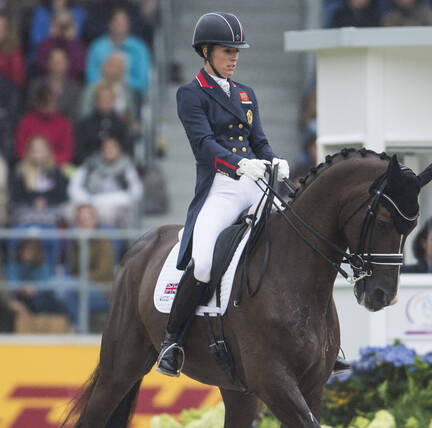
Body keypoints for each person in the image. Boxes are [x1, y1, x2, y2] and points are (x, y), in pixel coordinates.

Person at [156, 11, 291, 378]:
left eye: (237, 51)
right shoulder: (191, 93)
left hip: (256, 182)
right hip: (222, 186)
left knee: (300, 238)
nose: (234, 57)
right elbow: (204, 145)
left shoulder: (247, 93)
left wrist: (274, 160)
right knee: (201, 262)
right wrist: (238, 164)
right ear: (206, 51)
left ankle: (323, 338)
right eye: (226, 50)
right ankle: (172, 340)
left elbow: (259, 141)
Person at [67, 136, 143, 227]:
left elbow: (136, 193)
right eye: (106, 147)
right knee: (68, 212)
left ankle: (113, 241)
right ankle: (78, 240)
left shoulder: (127, 167)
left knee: (110, 214)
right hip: (89, 203)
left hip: (116, 205)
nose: (109, 150)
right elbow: (74, 187)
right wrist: (87, 202)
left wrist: (103, 201)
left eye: (113, 147)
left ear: (120, 150)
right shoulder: (90, 164)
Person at [84, 8, 150, 95]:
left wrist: (121, 81)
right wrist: (107, 83)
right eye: (117, 21)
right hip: (100, 92)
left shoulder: (139, 48)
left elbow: (142, 81)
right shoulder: (97, 46)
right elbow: (90, 76)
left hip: (129, 92)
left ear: (128, 25)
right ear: (110, 24)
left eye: (123, 22)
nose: (120, 25)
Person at [15, 84, 75, 165]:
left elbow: (67, 151)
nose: (52, 107)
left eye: (54, 103)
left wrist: (50, 162)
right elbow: (20, 149)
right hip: (30, 164)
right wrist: (35, 160)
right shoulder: (27, 121)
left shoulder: (63, 122)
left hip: (57, 165)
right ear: (39, 104)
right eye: (48, 104)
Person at [73, 83, 131, 163]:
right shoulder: (84, 125)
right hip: (90, 167)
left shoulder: (122, 125)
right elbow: (79, 152)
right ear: (95, 101)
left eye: (108, 98)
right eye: (101, 98)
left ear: (114, 100)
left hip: (117, 167)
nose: (105, 101)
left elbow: (128, 151)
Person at [26, 47, 82, 122]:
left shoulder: (74, 89)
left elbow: (73, 119)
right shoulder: (36, 85)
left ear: (67, 64)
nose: (56, 65)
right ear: (47, 63)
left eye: (60, 62)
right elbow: (30, 113)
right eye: (53, 61)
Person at [33, 10, 87, 81]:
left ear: (73, 26)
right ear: (53, 24)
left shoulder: (78, 47)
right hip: (48, 81)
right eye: (59, 24)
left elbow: (79, 68)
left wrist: (70, 41)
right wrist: (53, 37)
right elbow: (41, 65)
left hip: (71, 84)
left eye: (66, 25)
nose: (62, 29)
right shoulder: (45, 44)